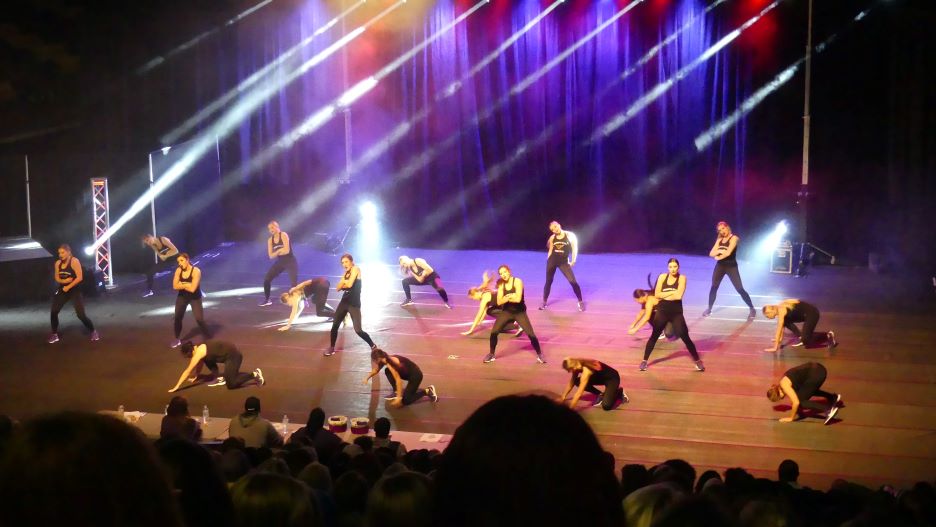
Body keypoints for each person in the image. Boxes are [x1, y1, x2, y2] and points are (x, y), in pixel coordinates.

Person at [628, 258, 704, 372]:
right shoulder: (663, 277)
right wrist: (672, 292)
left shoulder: (682, 278)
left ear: (678, 267)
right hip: (662, 312)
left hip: (676, 313)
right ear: (668, 267)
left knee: (685, 337)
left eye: (675, 267)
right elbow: (658, 295)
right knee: (654, 336)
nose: (673, 269)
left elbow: (678, 296)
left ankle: (698, 361)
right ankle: (644, 361)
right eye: (670, 267)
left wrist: (666, 294)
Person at [483, 265, 545, 364]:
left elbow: (518, 299)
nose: (503, 275)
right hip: (506, 312)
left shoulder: (517, 281)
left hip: (519, 313)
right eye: (501, 273)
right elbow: (499, 301)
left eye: (504, 272)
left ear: (509, 271)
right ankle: (491, 354)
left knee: (531, 334)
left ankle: (539, 354)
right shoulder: (501, 285)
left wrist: (507, 297)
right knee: (494, 332)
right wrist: (509, 296)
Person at [325, 253, 376, 357]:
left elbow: (349, 284)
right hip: (344, 303)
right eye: (342, 263)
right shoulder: (346, 273)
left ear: (351, 261)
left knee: (358, 330)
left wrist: (344, 281)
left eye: (346, 262)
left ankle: (373, 345)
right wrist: (343, 281)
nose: (344, 264)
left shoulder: (356, 269)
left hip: (354, 304)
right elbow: (337, 288)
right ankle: (331, 347)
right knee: (334, 326)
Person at [703, 221, 756, 319]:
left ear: (727, 227)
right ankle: (709, 308)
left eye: (723, 228)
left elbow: (728, 253)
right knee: (714, 286)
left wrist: (718, 256)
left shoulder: (734, 238)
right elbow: (711, 253)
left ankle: (752, 308)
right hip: (720, 266)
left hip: (731, 267)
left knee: (740, 289)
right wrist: (719, 251)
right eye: (719, 230)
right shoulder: (719, 240)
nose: (722, 231)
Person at [48, 244, 99, 343]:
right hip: (63, 289)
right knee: (54, 312)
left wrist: (68, 286)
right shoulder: (58, 263)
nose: (60, 255)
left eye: (62, 252)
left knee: (80, 315)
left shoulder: (74, 261)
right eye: (59, 253)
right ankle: (54, 335)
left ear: (68, 252)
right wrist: (65, 282)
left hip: (74, 290)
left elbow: (79, 278)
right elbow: (57, 277)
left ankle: (93, 331)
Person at [168, 340, 264, 392]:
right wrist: (196, 376)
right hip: (226, 356)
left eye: (188, 356)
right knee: (206, 359)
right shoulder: (198, 348)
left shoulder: (199, 352)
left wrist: (177, 387)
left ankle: (254, 375)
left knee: (231, 384)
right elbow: (199, 364)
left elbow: (188, 370)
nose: (189, 358)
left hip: (233, 356)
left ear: (190, 351)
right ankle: (218, 376)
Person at [767, 362, 842, 424]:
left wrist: (791, 418)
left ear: (778, 394)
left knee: (801, 402)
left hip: (817, 374)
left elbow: (796, 403)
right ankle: (832, 397)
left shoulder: (785, 385)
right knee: (804, 392)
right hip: (818, 369)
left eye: (780, 398)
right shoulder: (783, 381)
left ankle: (828, 410)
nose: (782, 398)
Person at [363, 347, 438, 408]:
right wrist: (367, 378)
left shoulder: (391, 363)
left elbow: (398, 381)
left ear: (378, 359)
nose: (373, 362)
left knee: (406, 400)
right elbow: (376, 370)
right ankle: (396, 392)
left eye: (373, 360)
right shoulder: (384, 359)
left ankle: (427, 391)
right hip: (407, 374)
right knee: (387, 371)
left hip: (416, 376)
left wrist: (398, 399)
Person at [540, 221, 585, 311]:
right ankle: (544, 303)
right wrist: (548, 259)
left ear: (559, 225)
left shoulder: (570, 235)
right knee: (548, 282)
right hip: (552, 261)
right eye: (553, 229)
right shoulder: (552, 237)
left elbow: (574, 248)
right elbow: (551, 248)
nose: (555, 230)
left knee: (573, 281)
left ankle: (580, 302)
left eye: (555, 227)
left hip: (563, 262)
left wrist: (573, 260)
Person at [762, 299, 838, 351]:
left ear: (771, 311)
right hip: (805, 315)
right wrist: (779, 340)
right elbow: (782, 326)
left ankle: (827, 335)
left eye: (767, 316)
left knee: (806, 341)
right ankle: (801, 335)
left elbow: (779, 328)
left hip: (812, 314)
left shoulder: (781, 309)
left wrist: (775, 347)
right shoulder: (782, 305)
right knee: (786, 321)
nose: (768, 318)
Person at [171, 253, 211, 348]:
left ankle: (209, 339)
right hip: (182, 297)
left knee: (199, 319)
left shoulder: (196, 271)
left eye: (181, 261)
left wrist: (182, 284)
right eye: (178, 262)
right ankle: (177, 339)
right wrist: (187, 284)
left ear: (187, 260)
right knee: (177, 318)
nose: (180, 263)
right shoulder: (178, 270)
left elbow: (193, 289)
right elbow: (174, 286)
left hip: (195, 298)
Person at [462, 271, 521, 336]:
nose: (474, 299)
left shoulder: (484, 299)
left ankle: (518, 324)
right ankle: (512, 320)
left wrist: (470, 330)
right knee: (490, 313)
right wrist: (480, 321)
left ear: (475, 294)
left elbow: (479, 315)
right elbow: (485, 311)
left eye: (473, 298)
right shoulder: (484, 291)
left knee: (497, 325)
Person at [557, 358, 628, 411]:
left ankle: (619, 392)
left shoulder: (586, 370)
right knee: (576, 381)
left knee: (606, 406)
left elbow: (579, 393)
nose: (569, 372)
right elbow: (571, 382)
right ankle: (601, 395)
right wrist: (562, 397)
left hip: (612, 379)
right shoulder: (577, 365)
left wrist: (570, 410)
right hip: (600, 378)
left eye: (569, 370)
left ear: (573, 367)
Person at [259, 220, 298, 307]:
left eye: (272, 227)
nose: (271, 230)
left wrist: (277, 251)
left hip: (290, 261)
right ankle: (267, 299)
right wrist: (280, 250)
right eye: (269, 229)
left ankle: (298, 300)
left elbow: (287, 251)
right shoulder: (270, 240)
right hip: (280, 262)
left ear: (277, 227)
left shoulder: (283, 235)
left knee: (293, 284)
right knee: (267, 280)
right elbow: (271, 256)